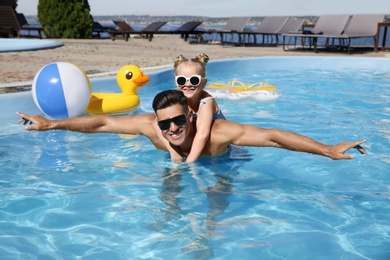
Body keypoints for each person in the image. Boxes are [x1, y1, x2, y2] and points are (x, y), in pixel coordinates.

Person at [17, 89, 367, 162]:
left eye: (179, 120)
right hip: (180, 164)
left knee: (216, 200)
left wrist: (328, 150)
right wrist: (51, 125)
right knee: (169, 189)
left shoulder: (216, 133)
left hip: (227, 161)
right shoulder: (150, 127)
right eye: (165, 123)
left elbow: (274, 136)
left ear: (191, 115)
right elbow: (102, 122)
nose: (172, 129)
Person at [154, 53, 225, 163]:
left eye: (194, 80)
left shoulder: (206, 102)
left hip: (222, 152)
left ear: (203, 82)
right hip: (195, 151)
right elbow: (156, 123)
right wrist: (174, 152)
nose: (187, 85)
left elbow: (202, 134)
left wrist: (189, 163)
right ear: (176, 82)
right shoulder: (178, 101)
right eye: (182, 80)